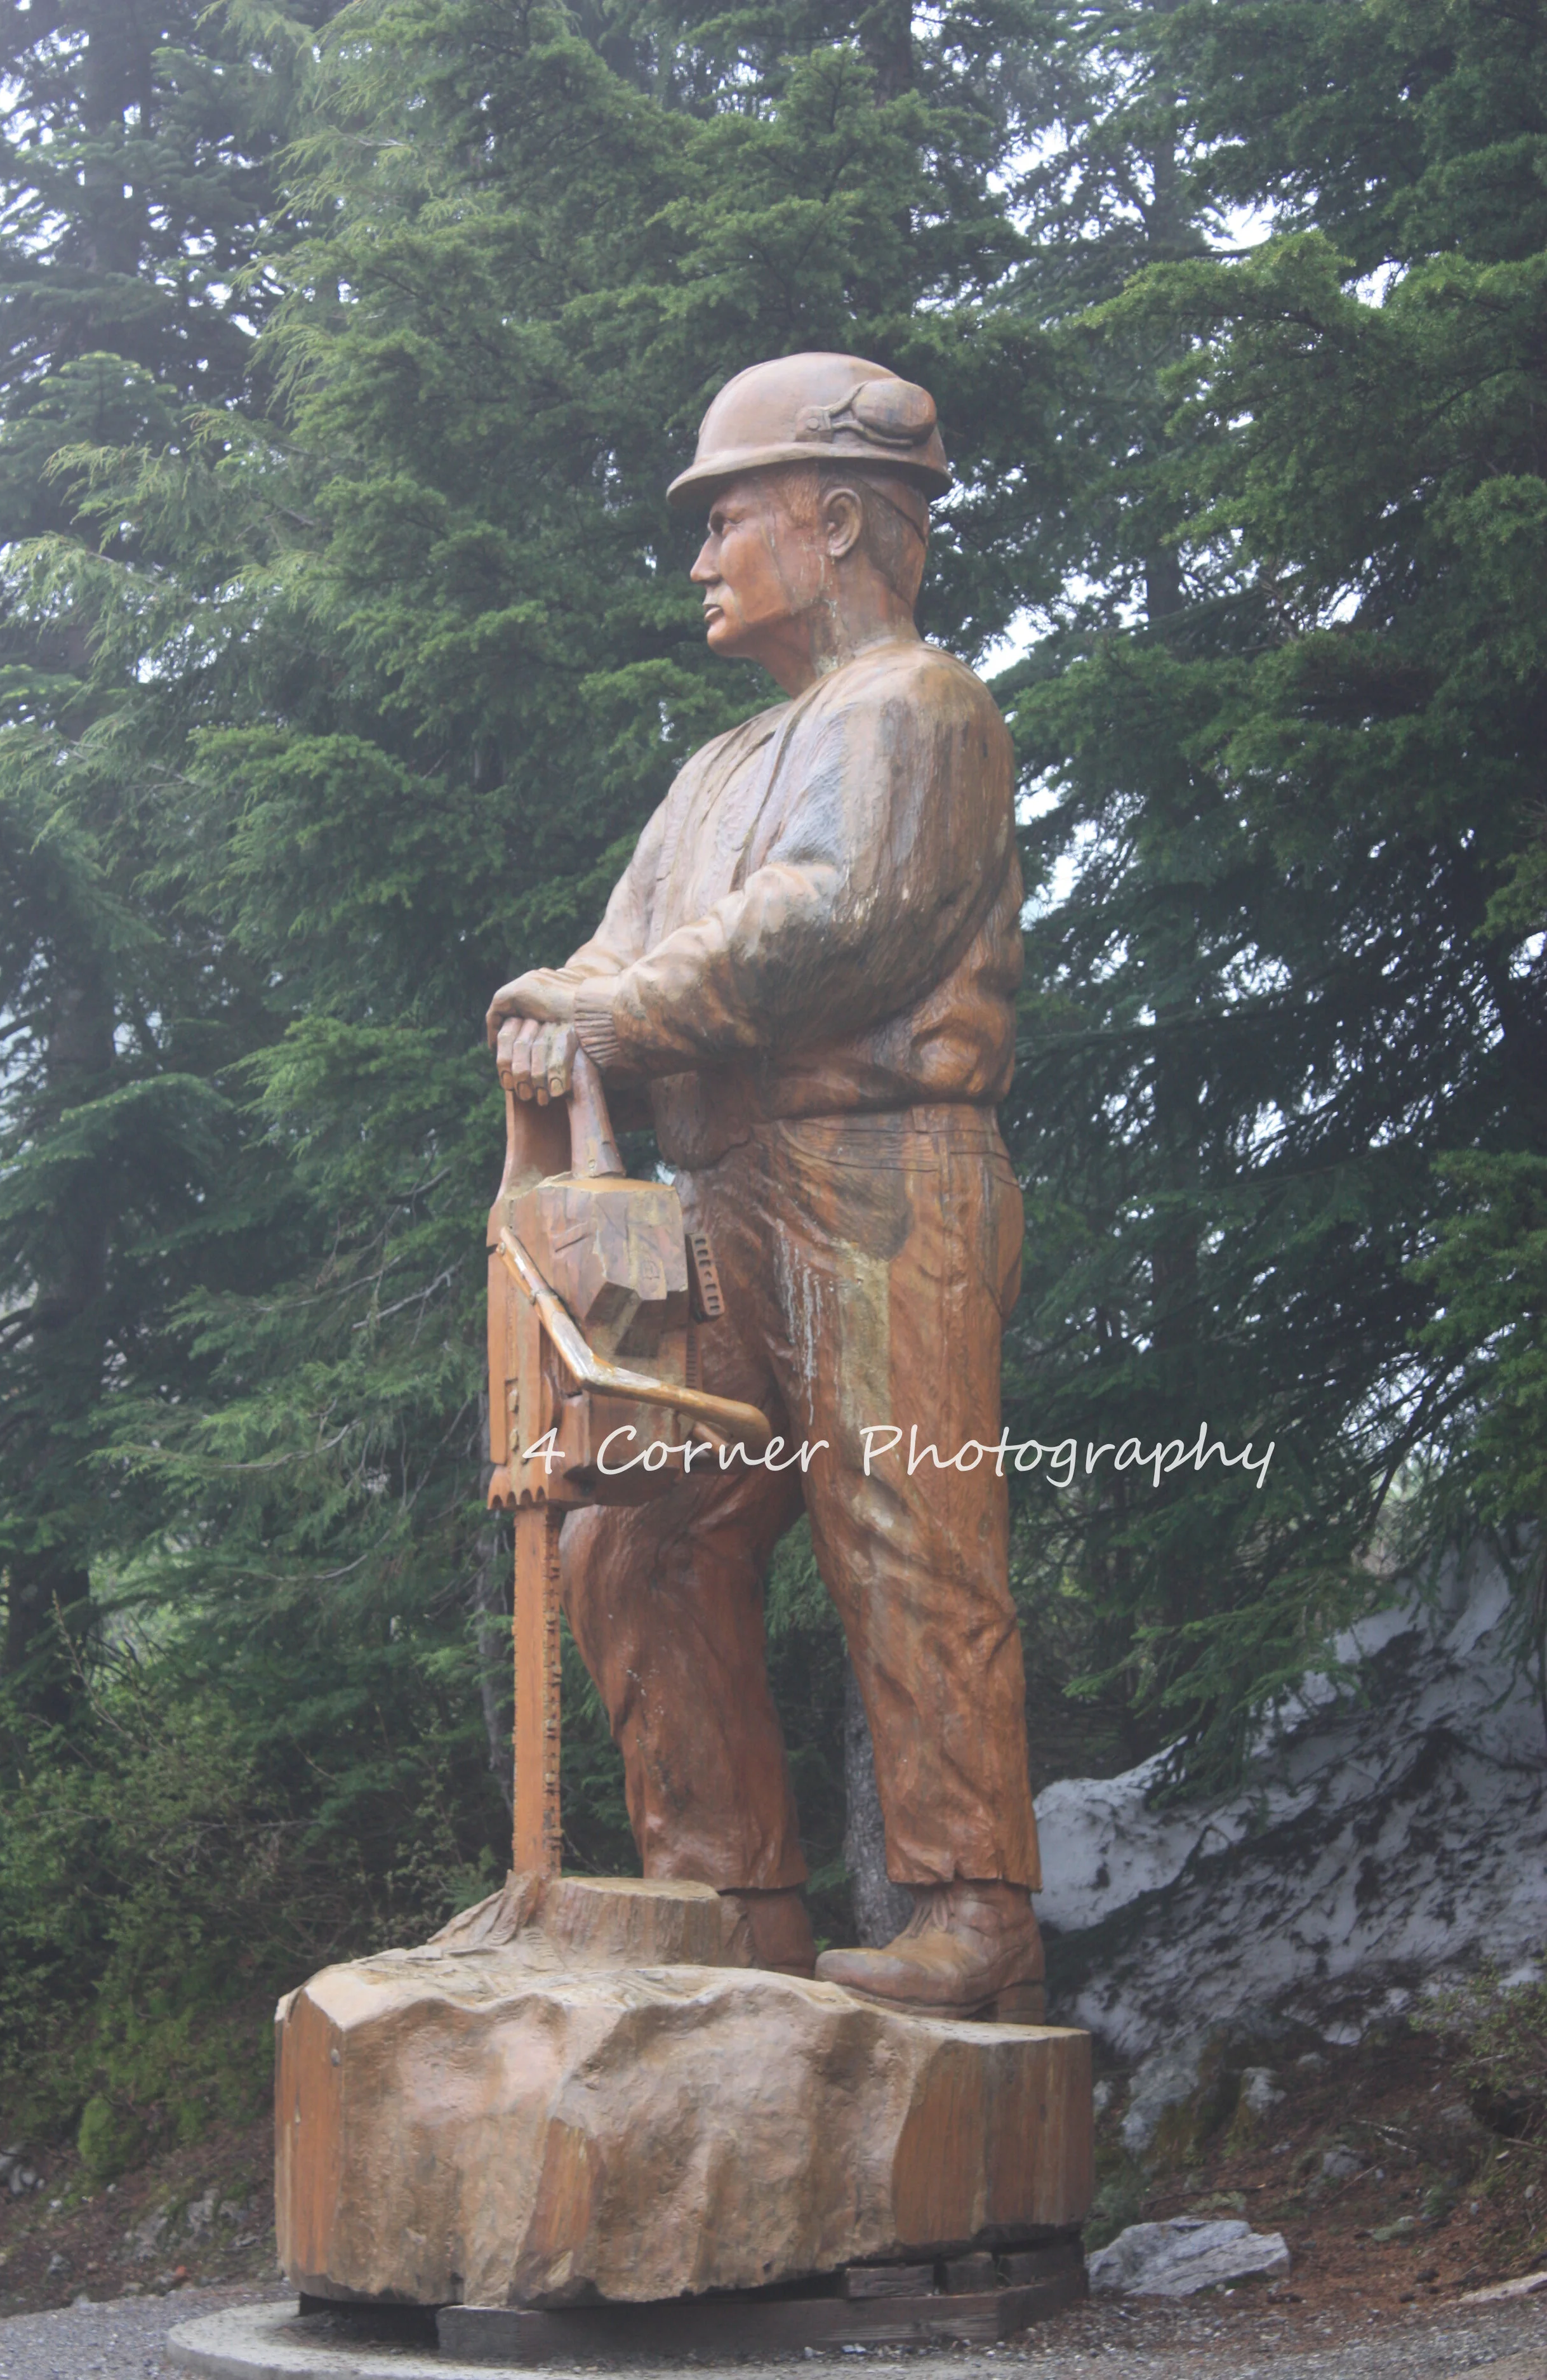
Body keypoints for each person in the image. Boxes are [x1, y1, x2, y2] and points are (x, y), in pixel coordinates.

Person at [486, 352, 1042, 2016]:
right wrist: (558, 1004)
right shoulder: (718, 764)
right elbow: (624, 941)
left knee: (907, 1526)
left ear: (845, 517)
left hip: (886, 1179)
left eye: (726, 517)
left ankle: (970, 1916)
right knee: (636, 1528)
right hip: (719, 1192)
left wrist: (606, 1009)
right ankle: (723, 1905)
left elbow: (822, 930)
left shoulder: (916, 708)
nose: (700, 556)